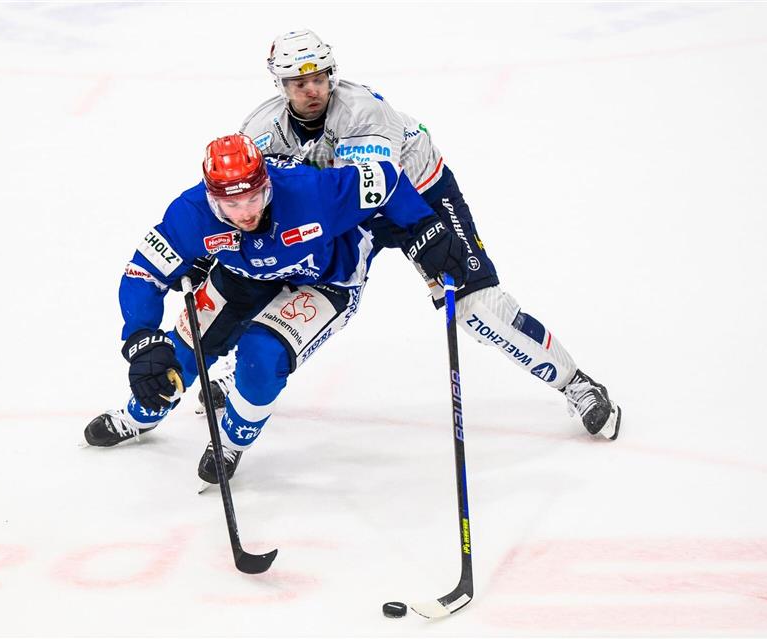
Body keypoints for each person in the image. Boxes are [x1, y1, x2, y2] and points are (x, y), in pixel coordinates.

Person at [228, 29, 622, 440]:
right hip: (349, 211)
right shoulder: (260, 131)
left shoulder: (362, 110)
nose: (313, 89)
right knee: (275, 271)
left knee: (476, 308)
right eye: (298, 82)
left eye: (320, 77)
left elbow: (375, 187)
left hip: (418, 194)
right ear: (280, 84)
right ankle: (239, 377)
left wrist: (426, 234)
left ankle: (576, 384)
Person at [83, 134, 468, 484]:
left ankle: (231, 442)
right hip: (243, 275)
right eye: (231, 204)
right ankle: (139, 415)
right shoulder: (191, 214)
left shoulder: (312, 191)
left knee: (261, 356)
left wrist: (426, 228)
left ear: (267, 184)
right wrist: (141, 336)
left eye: (253, 198)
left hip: (327, 280)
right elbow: (142, 274)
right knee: (179, 350)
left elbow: (390, 179)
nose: (246, 212)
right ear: (212, 198)